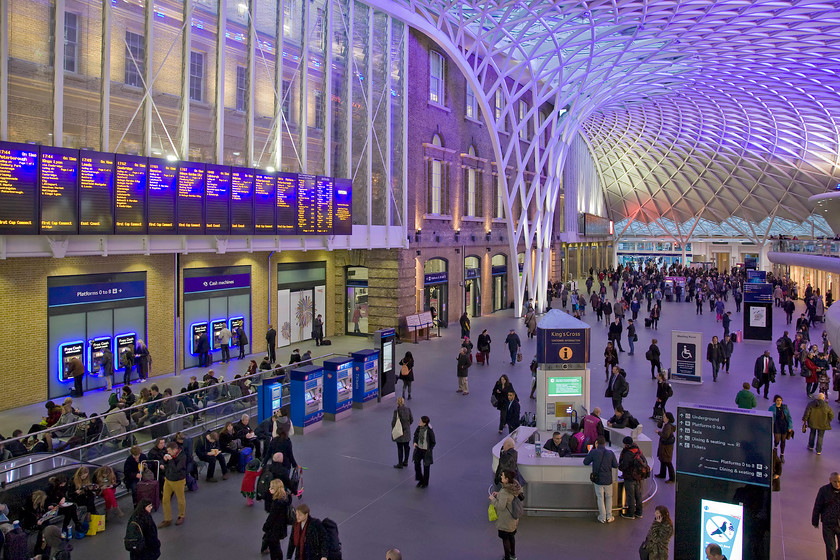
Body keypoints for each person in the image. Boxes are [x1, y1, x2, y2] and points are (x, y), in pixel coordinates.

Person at [583, 436, 618, 523]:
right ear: (605, 444)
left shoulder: (594, 452)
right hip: (608, 479)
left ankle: (602, 517)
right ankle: (609, 516)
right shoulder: (610, 453)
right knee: (609, 497)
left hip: (598, 479)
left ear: (596, 443)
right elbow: (615, 465)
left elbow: (585, 462)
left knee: (600, 498)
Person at [489, 470, 523, 560]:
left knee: (505, 539)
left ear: (507, 479)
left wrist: (493, 499)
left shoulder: (505, 491)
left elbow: (500, 506)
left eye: (503, 476)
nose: (501, 477)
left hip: (505, 520)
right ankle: (513, 555)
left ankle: (507, 558)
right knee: (511, 536)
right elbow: (509, 497)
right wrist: (499, 494)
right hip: (513, 518)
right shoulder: (514, 487)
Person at [811, 472, 840, 560]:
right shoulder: (824, 490)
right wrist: (815, 521)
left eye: (839, 481)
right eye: (835, 481)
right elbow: (818, 505)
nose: (837, 484)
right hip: (828, 524)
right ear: (830, 480)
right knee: (830, 549)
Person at [159, 441, 187, 528]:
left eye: (170, 451)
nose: (168, 453)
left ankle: (181, 516)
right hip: (168, 479)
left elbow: (176, 469)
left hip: (178, 480)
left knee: (180, 499)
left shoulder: (182, 457)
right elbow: (165, 463)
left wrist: (170, 460)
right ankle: (167, 519)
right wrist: (164, 462)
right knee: (165, 500)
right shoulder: (169, 454)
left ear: (175, 450)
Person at [263, 479, 291, 560]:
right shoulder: (285, 498)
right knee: (277, 547)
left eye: (271, 488)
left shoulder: (276, 503)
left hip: (274, 529)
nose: (269, 489)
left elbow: (271, 518)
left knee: (274, 548)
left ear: (276, 490)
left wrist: (266, 527)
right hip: (281, 527)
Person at [618, 436, 645, 519]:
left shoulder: (628, 453)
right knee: (638, 495)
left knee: (630, 496)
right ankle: (639, 512)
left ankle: (630, 514)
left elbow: (624, 465)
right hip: (637, 476)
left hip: (629, 477)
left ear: (626, 444)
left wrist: (620, 467)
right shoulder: (637, 449)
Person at [412, 415, 436, 488]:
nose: (419, 422)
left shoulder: (429, 431)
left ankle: (425, 482)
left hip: (426, 451)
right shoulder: (419, 428)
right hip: (419, 449)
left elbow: (433, 442)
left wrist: (429, 449)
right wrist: (415, 442)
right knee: (416, 464)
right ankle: (420, 479)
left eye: (420, 421)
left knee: (426, 467)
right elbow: (415, 436)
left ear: (424, 423)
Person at [769, 395, 793, 463]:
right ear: (775, 401)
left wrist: (790, 427)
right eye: (777, 400)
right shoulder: (772, 408)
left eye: (780, 400)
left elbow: (789, 417)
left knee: (783, 441)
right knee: (776, 440)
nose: (779, 402)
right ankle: (775, 453)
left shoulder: (785, 407)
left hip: (784, 426)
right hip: (776, 425)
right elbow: (769, 417)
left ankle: (782, 455)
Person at [392, 397, 413, 469]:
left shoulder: (396, 411)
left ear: (397, 402)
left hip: (399, 433)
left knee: (400, 448)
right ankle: (406, 461)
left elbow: (394, 422)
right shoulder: (408, 410)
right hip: (407, 432)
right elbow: (411, 420)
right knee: (407, 447)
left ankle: (400, 463)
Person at [655, 412, 676, 482]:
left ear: (668, 418)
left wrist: (659, 432)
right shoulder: (666, 424)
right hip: (664, 446)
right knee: (662, 460)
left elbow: (665, 435)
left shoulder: (668, 426)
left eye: (664, 416)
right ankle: (662, 474)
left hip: (666, 447)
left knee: (667, 462)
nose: (663, 417)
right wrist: (662, 421)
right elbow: (659, 425)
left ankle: (672, 478)